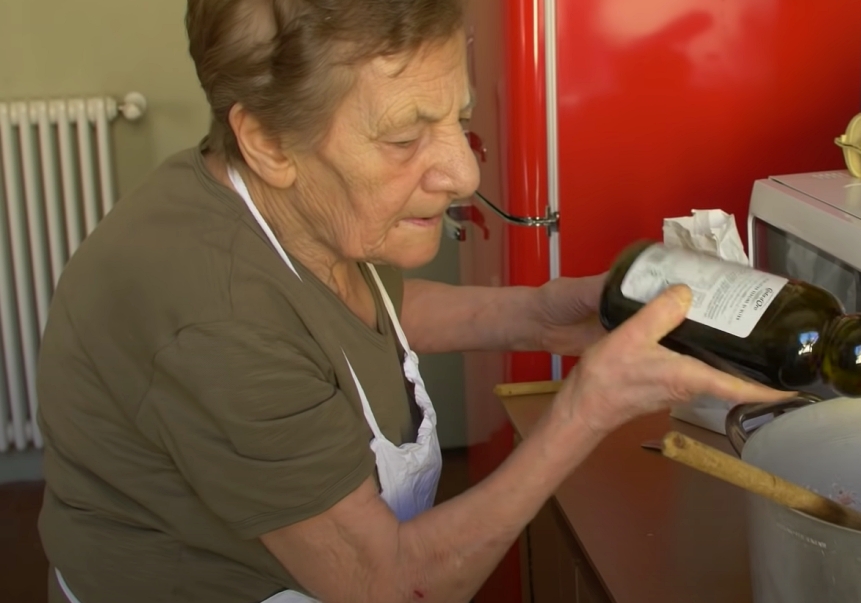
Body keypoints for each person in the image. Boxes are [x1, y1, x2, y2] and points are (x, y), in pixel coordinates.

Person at [35, 1, 787, 602]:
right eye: (404, 138)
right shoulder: (214, 315)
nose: (462, 172)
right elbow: (386, 584)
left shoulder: (286, 209)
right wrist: (587, 405)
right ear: (265, 141)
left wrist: (538, 312)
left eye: (456, 118)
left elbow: (357, 316)